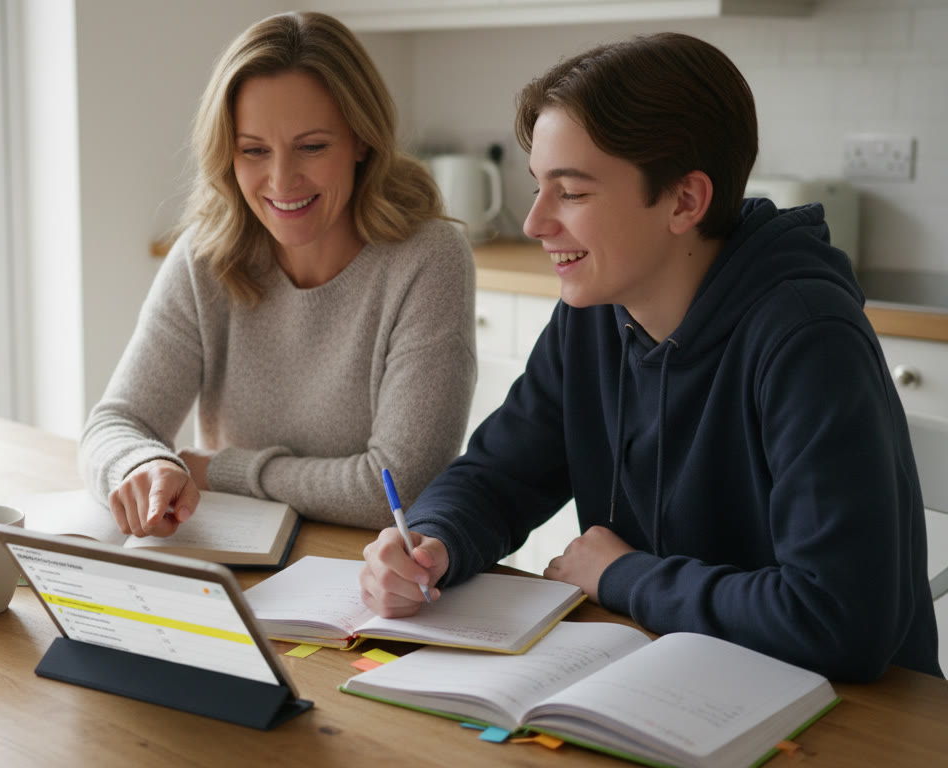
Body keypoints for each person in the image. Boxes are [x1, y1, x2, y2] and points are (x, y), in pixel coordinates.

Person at [359, 32, 942, 682]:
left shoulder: (807, 339)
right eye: (537, 188)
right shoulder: (596, 313)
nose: (534, 224)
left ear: (685, 201)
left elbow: (839, 622)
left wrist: (621, 575)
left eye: (572, 193)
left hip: (848, 719)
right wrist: (433, 542)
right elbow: (499, 476)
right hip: (666, 678)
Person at [80, 11, 476, 538]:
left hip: (371, 580)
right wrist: (141, 466)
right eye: (254, 151)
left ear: (361, 139)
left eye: (311, 146)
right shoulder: (206, 255)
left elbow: (397, 487)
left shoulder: (427, 258)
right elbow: (114, 424)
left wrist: (218, 470)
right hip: (234, 568)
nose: (282, 180)